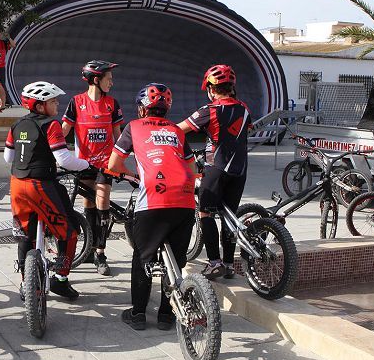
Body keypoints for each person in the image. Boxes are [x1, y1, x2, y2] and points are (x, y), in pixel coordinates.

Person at [108, 83, 197, 330]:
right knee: (176, 261)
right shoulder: (177, 131)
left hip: (153, 201)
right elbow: (192, 169)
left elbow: (114, 164)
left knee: (143, 258)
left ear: (142, 108)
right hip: (185, 199)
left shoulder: (133, 127)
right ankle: (167, 316)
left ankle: (138, 314)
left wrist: (134, 177)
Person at [3, 81, 92, 300]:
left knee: (25, 235)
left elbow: (8, 157)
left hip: (17, 184)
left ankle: (26, 283)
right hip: (40, 185)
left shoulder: (16, 125)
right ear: (40, 105)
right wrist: (87, 165)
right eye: (53, 101)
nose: (57, 105)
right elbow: (63, 160)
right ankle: (61, 279)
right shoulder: (51, 125)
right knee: (69, 233)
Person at [178, 64, 251, 279]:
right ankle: (229, 264)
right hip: (240, 170)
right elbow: (245, 130)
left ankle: (214, 262)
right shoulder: (244, 109)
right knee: (229, 216)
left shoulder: (208, 110)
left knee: (206, 213)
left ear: (211, 88)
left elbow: (178, 129)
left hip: (217, 168)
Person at [61, 60, 123, 275]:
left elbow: (118, 135)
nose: (112, 83)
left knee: (102, 202)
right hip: (84, 163)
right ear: (96, 80)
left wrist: (125, 157)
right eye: (109, 79)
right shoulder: (76, 102)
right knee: (88, 204)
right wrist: (50, 149)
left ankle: (101, 252)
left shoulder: (112, 104)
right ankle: (88, 249)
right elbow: (64, 130)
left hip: (106, 164)